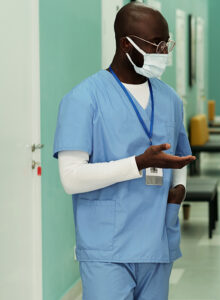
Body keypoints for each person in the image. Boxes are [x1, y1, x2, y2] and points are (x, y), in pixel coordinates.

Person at [53, 3, 195, 299]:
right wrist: (138, 163)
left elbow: (180, 157)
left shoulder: (170, 99)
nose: (164, 53)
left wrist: (179, 189)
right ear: (125, 44)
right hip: (107, 246)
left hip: (157, 240)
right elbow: (71, 178)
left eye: (167, 44)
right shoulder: (83, 99)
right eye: (156, 45)